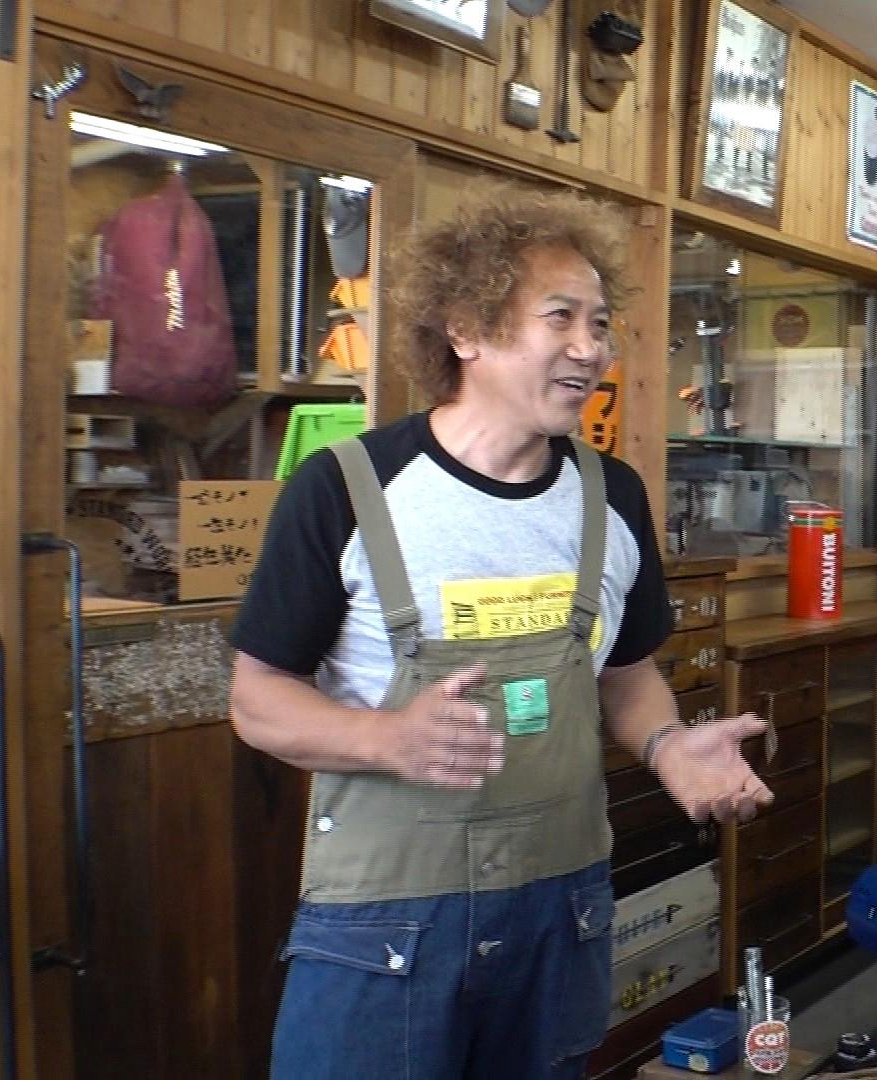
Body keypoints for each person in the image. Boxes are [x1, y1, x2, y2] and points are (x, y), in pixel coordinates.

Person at [229, 182, 773, 1079]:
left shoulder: (612, 497)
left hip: (560, 914)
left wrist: (668, 744)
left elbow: (624, 673)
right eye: (560, 317)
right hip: (386, 927)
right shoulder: (347, 489)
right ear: (465, 330)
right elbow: (257, 700)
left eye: (600, 324)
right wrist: (385, 738)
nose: (590, 348)